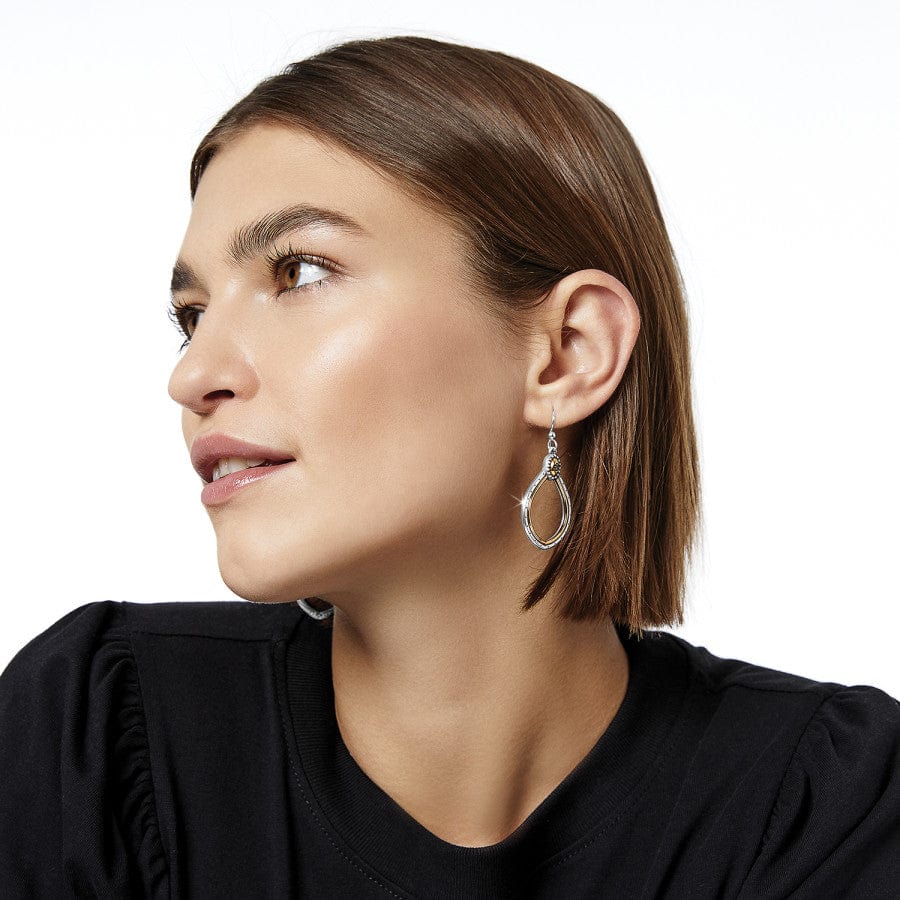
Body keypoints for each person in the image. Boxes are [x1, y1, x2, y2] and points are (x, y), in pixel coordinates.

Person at [1, 34, 897, 899]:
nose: (193, 375)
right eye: (190, 314)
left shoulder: (824, 806)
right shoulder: (101, 738)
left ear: (566, 356)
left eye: (302, 272)